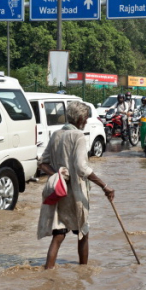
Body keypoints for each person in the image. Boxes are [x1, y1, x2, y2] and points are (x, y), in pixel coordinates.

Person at [37, 101, 115, 269]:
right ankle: (83, 273)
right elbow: (81, 167)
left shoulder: (56, 134)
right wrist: (104, 185)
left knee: (58, 235)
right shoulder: (78, 136)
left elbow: (42, 163)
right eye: (86, 118)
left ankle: (48, 273)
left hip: (59, 192)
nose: (86, 121)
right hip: (76, 194)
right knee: (83, 234)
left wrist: (58, 176)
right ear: (80, 119)